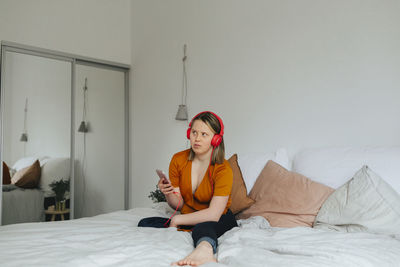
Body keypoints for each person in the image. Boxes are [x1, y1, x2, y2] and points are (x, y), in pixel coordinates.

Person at [138, 111, 237, 266]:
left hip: (218, 218)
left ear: (216, 139)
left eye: (204, 134)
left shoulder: (223, 169)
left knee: (203, 227)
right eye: (194, 132)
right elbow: (179, 204)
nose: (197, 138)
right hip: (189, 214)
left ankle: (204, 251)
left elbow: (214, 214)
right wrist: (168, 193)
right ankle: (190, 228)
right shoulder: (178, 160)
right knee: (144, 223)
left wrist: (178, 219)